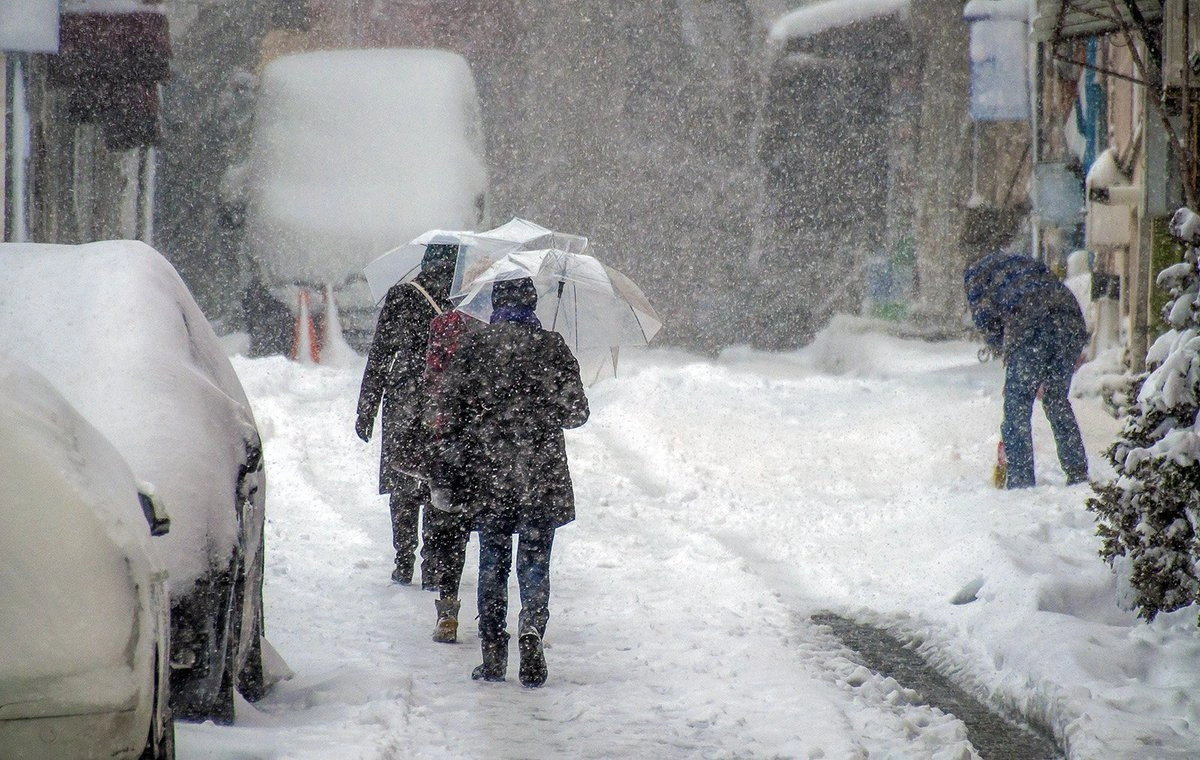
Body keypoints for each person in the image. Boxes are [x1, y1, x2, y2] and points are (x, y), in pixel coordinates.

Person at [430, 277, 589, 687]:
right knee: (535, 560)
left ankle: (493, 651)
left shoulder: (475, 347)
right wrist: (542, 398)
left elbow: (451, 412)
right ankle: (532, 627)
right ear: (533, 304)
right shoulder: (552, 347)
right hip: (541, 473)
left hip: (489, 475)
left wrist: (452, 463)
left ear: (495, 304)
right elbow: (577, 413)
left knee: (492, 562)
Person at [355, 242, 457, 586]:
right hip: (442, 395)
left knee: (402, 475)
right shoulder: (461, 298)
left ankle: (403, 556)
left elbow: (381, 353)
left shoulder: (402, 295)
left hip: (404, 394)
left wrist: (366, 410)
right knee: (434, 478)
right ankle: (432, 560)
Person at [964, 250, 1089, 489]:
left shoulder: (974, 277)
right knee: (1056, 400)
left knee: (1017, 404)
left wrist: (1006, 353)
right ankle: (1077, 472)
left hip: (1029, 323)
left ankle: (1020, 479)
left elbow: (986, 321)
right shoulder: (1025, 262)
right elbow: (1050, 288)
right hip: (1070, 319)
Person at [422, 307, 484, 643]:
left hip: (451, 442)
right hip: (494, 446)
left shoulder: (444, 326)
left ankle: (448, 611)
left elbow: (431, 381)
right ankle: (494, 615)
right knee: (494, 536)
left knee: (452, 531)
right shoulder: (498, 332)